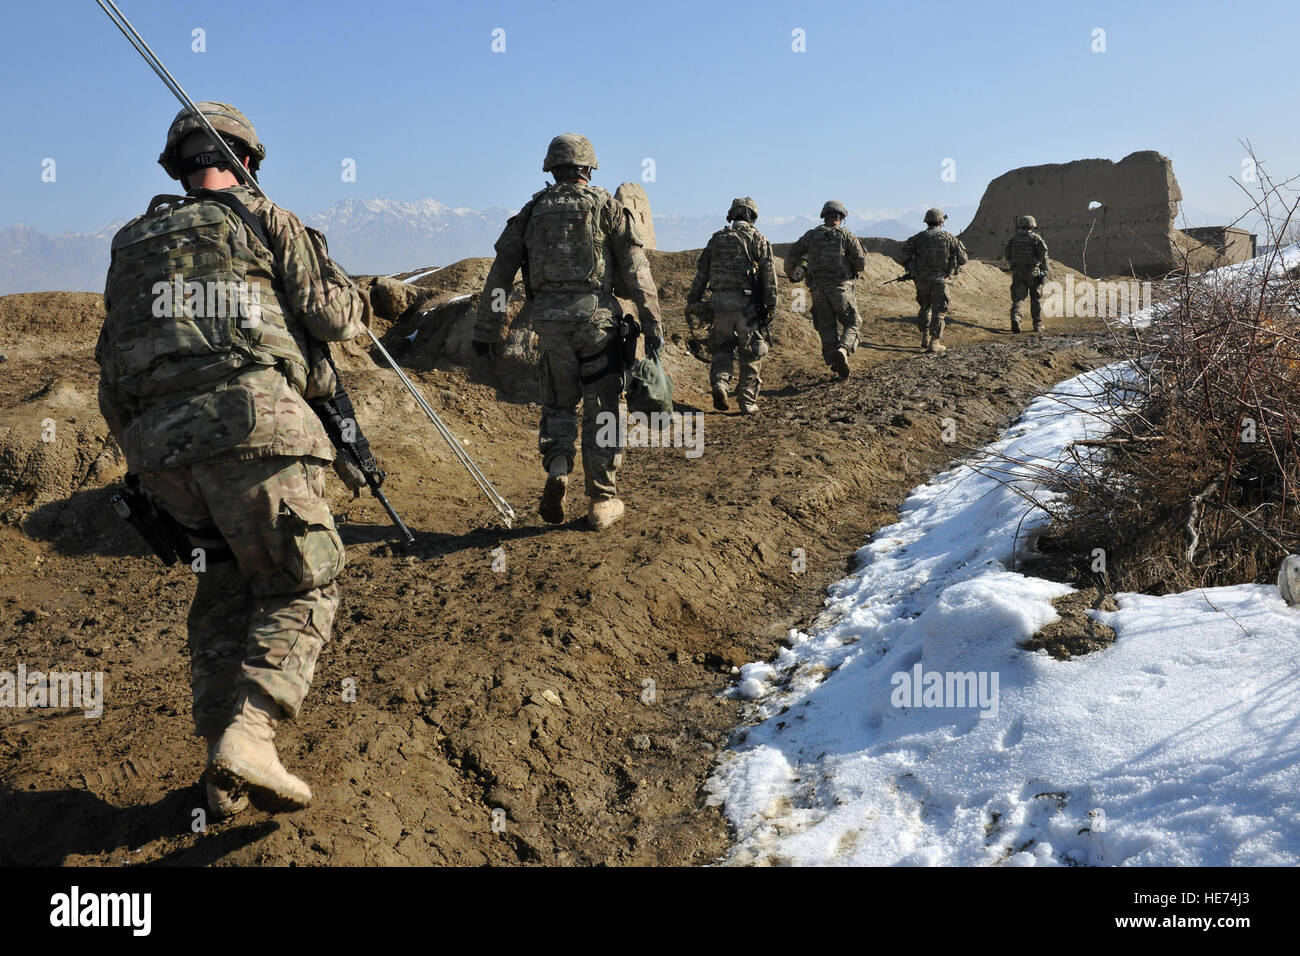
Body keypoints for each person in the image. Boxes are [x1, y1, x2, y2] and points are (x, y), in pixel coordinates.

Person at [97, 102, 369, 817]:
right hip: (255, 429)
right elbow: (332, 319)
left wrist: (145, 455)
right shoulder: (263, 217)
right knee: (301, 581)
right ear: (248, 159)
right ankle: (251, 736)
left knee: (220, 588)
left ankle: (222, 768)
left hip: (159, 452)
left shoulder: (131, 243)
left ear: (177, 167)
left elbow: (110, 367)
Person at [472, 133, 664, 530]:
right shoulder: (608, 208)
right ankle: (601, 500)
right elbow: (638, 273)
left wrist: (486, 329)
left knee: (559, 404)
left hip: (549, 328)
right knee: (604, 410)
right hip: (598, 327)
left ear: (552, 168)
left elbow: (500, 277)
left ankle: (558, 466)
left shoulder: (531, 212)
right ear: (588, 168)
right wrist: (652, 324)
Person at [686, 197, 778, 413]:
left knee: (721, 349)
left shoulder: (716, 240)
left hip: (718, 308)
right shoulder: (758, 240)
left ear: (732, 215)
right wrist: (770, 306)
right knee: (752, 354)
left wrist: (693, 302)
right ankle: (747, 402)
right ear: (752, 216)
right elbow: (769, 278)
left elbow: (701, 275)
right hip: (747, 309)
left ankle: (720, 384)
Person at [785, 200, 866, 379]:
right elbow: (861, 263)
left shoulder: (812, 235)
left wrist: (793, 273)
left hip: (818, 290)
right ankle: (843, 351)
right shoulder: (847, 235)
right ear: (841, 217)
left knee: (826, 327)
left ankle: (834, 360)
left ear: (824, 215)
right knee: (853, 323)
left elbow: (792, 253)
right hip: (841, 289)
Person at [901, 207, 968, 353]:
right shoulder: (950, 238)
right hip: (940, 280)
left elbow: (903, 256)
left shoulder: (917, 238)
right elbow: (963, 260)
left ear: (927, 221)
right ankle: (934, 342)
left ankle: (924, 337)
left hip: (922, 280)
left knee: (925, 307)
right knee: (939, 310)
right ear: (941, 221)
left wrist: (913, 270)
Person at [1005, 214, 1050, 332]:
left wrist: (1014, 265)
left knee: (1018, 298)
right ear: (1032, 226)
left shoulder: (1013, 240)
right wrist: (1042, 268)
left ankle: (1016, 317)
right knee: (1036, 298)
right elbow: (1043, 253)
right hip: (1033, 272)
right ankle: (1037, 324)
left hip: (1018, 273)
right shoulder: (1035, 239)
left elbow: (1007, 254)